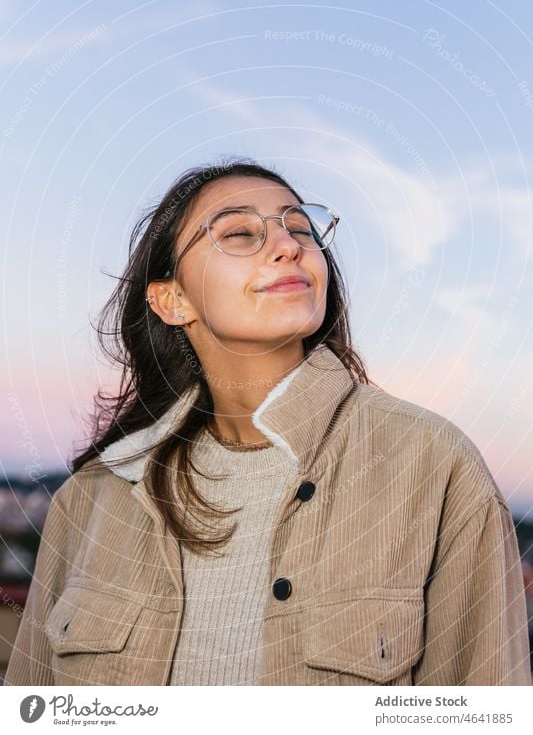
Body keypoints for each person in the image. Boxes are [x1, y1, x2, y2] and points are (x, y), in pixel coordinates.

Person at [5, 159, 531, 686]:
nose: (289, 246)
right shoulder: (92, 498)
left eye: (301, 228)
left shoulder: (434, 466)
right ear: (172, 299)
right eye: (238, 232)